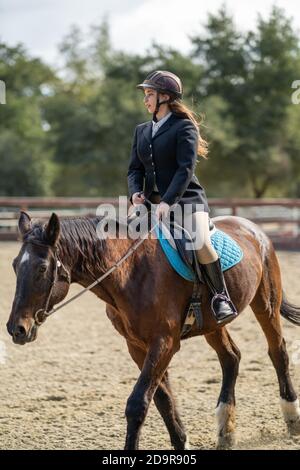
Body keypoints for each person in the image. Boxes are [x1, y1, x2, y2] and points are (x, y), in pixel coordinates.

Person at [127, 70, 237, 324]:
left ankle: (220, 297)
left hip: (187, 201)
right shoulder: (141, 131)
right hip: (150, 204)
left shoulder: (184, 127)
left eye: (150, 94)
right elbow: (135, 169)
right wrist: (135, 194)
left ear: (165, 97)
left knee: (199, 241)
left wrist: (168, 201)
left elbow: (185, 169)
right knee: (122, 239)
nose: (146, 100)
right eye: (145, 95)